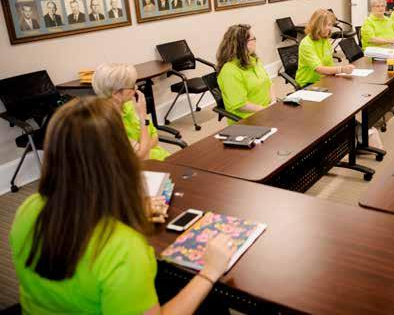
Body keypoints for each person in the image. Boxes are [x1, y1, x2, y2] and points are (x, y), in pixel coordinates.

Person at [9, 97, 234, 314]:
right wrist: (209, 271)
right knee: (210, 299)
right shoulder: (123, 247)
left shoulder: (28, 208)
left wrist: (125, 214)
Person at [93, 63, 170, 161]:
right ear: (116, 94)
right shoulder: (107, 123)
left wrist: (143, 146)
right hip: (144, 167)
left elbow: (155, 137)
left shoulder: (131, 105)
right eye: (132, 86)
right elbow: (141, 157)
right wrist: (142, 117)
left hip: (161, 158)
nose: (136, 88)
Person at [216, 24, 274, 123]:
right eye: (253, 39)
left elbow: (270, 84)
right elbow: (241, 105)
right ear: (242, 44)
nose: (255, 41)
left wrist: (273, 102)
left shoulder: (253, 60)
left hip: (267, 111)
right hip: (249, 119)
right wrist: (266, 110)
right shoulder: (229, 71)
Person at [295, 9, 354, 87]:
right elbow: (319, 69)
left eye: (331, 25)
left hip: (324, 79)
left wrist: (338, 73)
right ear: (319, 26)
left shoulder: (324, 40)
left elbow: (329, 64)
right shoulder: (306, 44)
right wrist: (341, 69)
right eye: (328, 25)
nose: (330, 28)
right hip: (308, 83)